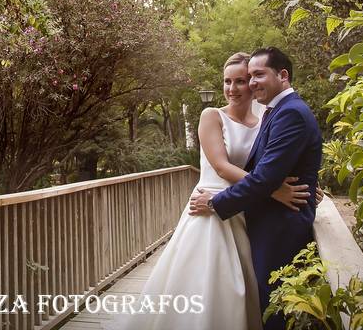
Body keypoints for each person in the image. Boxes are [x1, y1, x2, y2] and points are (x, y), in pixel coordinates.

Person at [104, 52, 310, 330]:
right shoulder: (211, 115)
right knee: (207, 284)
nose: (232, 88)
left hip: (244, 208)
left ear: (251, 83)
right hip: (209, 205)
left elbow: (274, 162)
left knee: (246, 284)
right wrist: (273, 190)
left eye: (240, 80)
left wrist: (309, 186)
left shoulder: (266, 117)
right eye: (227, 81)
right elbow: (223, 167)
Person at [189, 46, 322, 330]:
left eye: (252, 77)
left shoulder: (283, 113)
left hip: (260, 217)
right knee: (217, 286)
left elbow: (269, 171)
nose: (245, 84)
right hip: (225, 205)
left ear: (282, 75)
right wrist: (274, 189)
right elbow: (239, 169)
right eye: (233, 80)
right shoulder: (225, 114)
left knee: (265, 298)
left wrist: (308, 185)